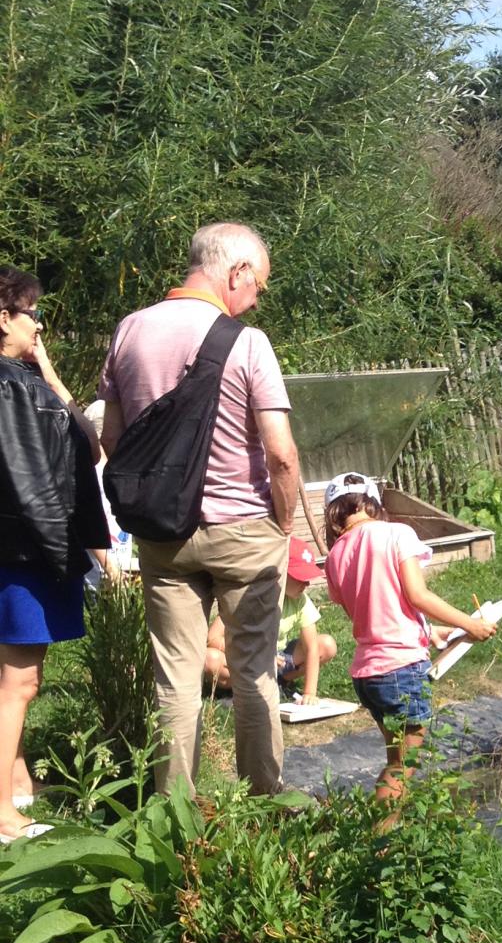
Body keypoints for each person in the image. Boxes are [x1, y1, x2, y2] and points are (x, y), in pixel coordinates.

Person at [99, 222, 300, 796]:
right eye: (258, 283)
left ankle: (175, 815)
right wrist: (282, 524)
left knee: (175, 679)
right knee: (255, 671)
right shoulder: (248, 342)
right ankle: (263, 804)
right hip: (245, 530)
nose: (257, 296)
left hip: (164, 535)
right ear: (235, 273)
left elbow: (115, 440)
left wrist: (164, 492)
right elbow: (281, 455)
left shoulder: (128, 332)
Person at [0, 270, 110, 841]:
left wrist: (41, 369)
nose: (39, 324)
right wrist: (46, 368)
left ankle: (15, 778)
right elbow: (89, 448)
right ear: (4, 320)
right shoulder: (19, 388)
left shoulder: (18, 383)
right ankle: (2, 812)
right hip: (25, 555)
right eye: (31, 314)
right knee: (20, 682)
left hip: (12, 552)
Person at [321, 472, 497, 802]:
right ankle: (378, 843)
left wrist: (429, 632)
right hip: (399, 671)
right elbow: (417, 595)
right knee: (403, 766)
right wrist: (470, 624)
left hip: (368, 675)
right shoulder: (396, 533)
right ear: (372, 503)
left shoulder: (334, 557)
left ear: (332, 512)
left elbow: (371, 615)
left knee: (396, 760)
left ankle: (384, 833)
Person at [204, 537, 334, 702]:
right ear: (280, 573)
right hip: (247, 658)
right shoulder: (249, 596)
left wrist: (309, 693)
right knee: (210, 659)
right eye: (301, 577)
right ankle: (244, 689)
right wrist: (257, 656)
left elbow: (312, 647)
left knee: (327, 645)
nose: (307, 584)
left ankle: (279, 682)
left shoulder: (300, 600)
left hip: (279, 659)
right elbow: (213, 638)